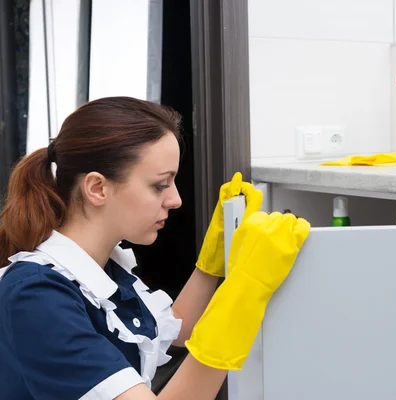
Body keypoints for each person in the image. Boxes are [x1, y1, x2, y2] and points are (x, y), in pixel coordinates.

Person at [0, 96, 310, 399]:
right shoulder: (37, 296)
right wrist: (245, 291)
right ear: (97, 188)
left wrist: (211, 266)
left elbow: (175, 331)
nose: (175, 200)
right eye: (160, 185)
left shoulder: (104, 270)